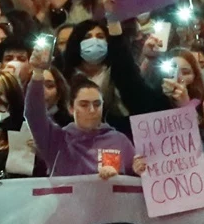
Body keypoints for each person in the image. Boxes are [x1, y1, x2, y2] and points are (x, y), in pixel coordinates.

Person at [25, 42, 133, 178]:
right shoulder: (56, 141)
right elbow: (33, 114)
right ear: (71, 108)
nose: (92, 110)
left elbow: (141, 181)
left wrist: (125, 175)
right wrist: (37, 73)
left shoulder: (120, 141)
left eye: (97, 104)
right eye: (84, 104)